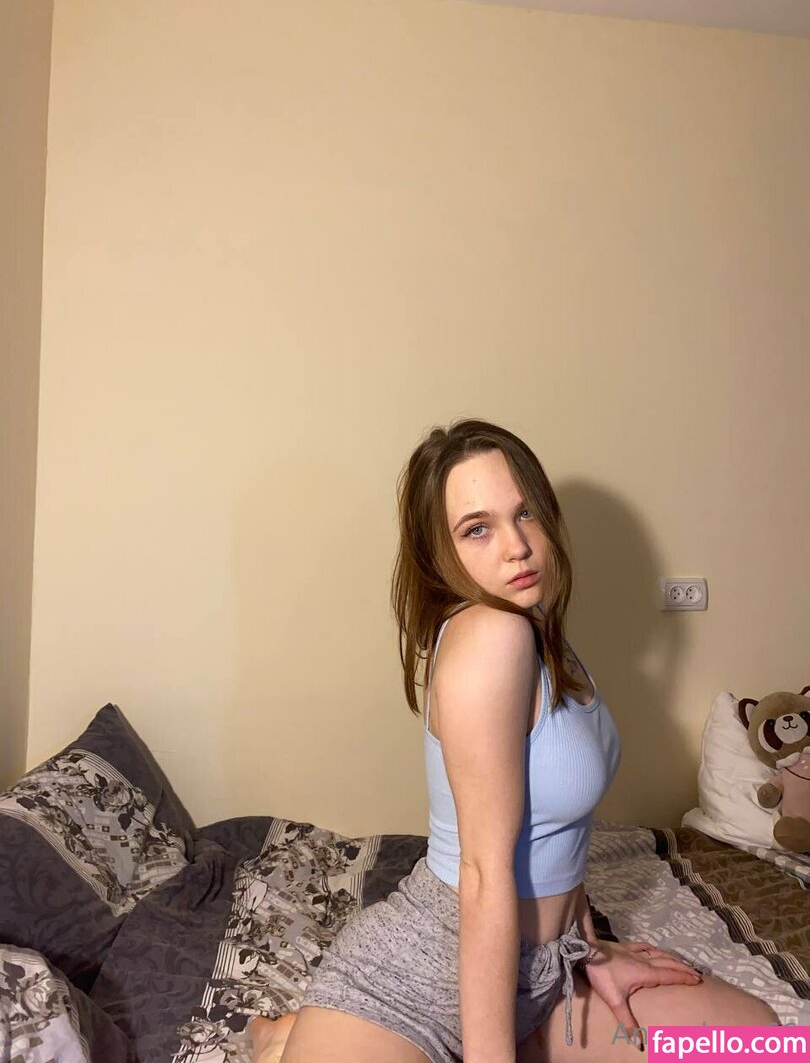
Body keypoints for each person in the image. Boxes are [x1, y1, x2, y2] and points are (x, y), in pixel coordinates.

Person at [251, 419, 778, 1063]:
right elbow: (482, 872)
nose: (517, 546)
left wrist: (591, 951)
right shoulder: (491, 635)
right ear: (440, 555)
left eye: (525, 513)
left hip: (542, 971)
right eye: (477, 529)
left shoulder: (543, 630)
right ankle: (284, 1035)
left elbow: (559, 828)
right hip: (418, 983)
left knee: (755, 1039)